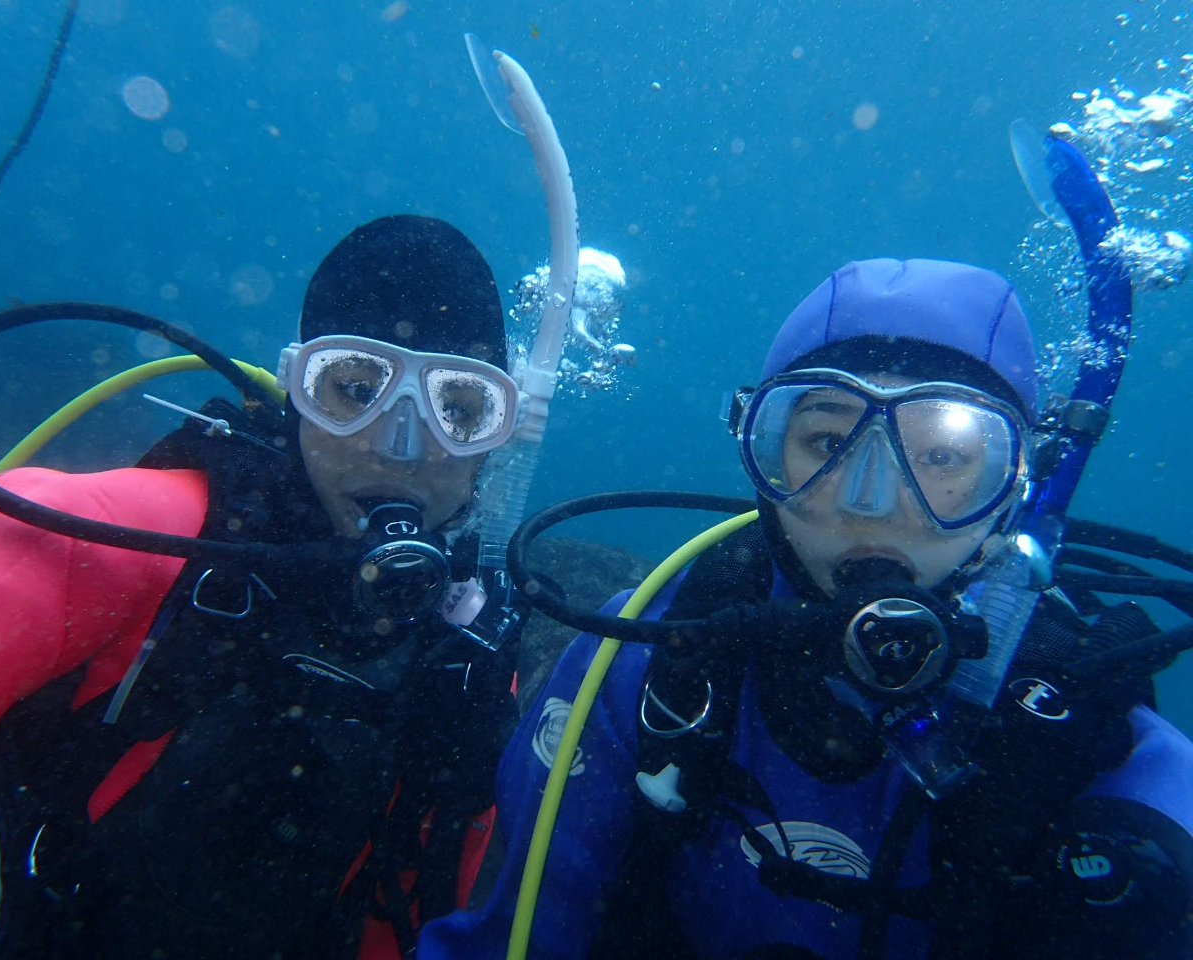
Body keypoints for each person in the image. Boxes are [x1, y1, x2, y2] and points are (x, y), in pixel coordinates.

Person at [418, 258, 1193, 960]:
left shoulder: (1086, 728)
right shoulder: (649, 656)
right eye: (826, 443)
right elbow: (509, 939)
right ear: (764, 450)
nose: (873, 503)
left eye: (944, 456)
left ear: (1016, 488)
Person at [0, 215, 529, 959]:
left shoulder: (466, 654)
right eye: (354, 389)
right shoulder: (94, 536)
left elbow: (402, 915)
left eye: (460, 410)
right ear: (298, 389)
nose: (401, 446)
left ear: (500, 436)